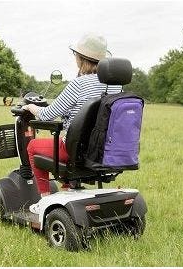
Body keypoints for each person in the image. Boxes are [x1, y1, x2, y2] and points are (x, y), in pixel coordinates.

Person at [22, 33, 122, 198]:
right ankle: (68, 191)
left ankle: (45, 199)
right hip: (103, 149)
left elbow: (46, 115)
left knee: (33, 146)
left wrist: (32, 107)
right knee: (70, 142)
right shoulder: (116, 87)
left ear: (81, 58)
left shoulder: (78, 84)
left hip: (78, 151)